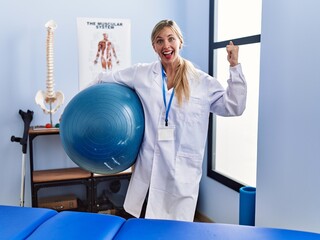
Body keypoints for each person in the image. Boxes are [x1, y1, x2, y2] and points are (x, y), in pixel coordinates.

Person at [95, 19, 247, 221]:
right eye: (159, 41)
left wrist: (234, 67)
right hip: (148, 171)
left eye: (170, 39)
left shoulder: (202, 82)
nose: (166, 45)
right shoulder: (142, 74)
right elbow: (104, 78)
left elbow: (234, 106)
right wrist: (77, 106)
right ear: (154, 47)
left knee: (175, 231)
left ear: (180, 42)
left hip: (180, 174)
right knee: (142, 228)